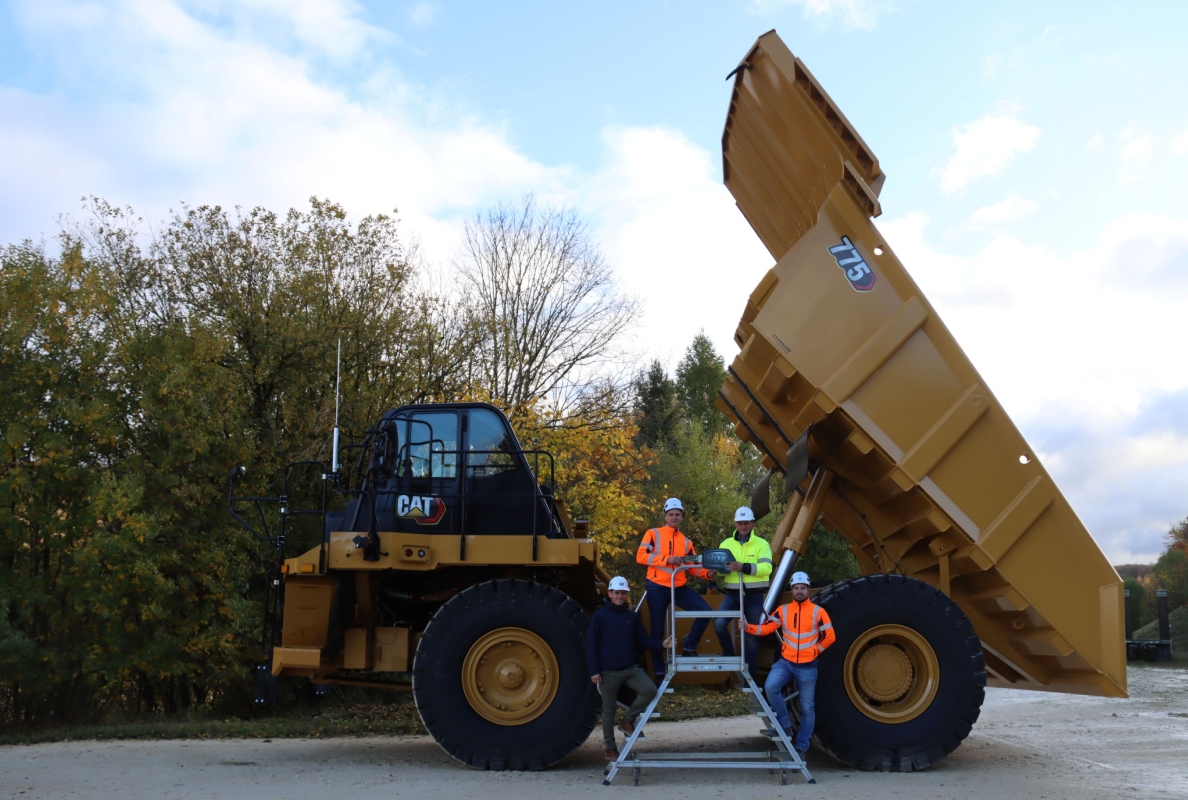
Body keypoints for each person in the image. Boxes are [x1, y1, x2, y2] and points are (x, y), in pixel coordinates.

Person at [745, 571, 835, 762]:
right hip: (786, 663)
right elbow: (767, 628)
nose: (799, 591)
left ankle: (801, 748)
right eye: (796, 588)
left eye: (803, 588)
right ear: (792, 590)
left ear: (808, 590)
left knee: (807, 709)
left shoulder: (818, 612)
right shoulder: (783, 610)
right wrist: (748, 628)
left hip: (808, 666)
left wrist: (815, 651)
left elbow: (830, 637)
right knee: (770, 687)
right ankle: (785, 725)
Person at [587, 576, 674, 760]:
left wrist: (661, 644)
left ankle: (627, 720)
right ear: (609, 594)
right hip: (608, 672)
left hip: (630, 669)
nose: (620, 596)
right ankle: (610, 749)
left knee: (650, 690)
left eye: (623, 593)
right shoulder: (599, 617)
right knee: (608, 710)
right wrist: (594, 671)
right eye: (617, 593)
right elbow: (591, 645)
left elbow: (643, 641)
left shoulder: (632, 617)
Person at [635, 497, 719, 682]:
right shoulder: (653, 534)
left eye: (678, 514)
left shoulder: (686, 542)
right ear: (665, 516)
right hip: (656, 587)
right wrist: (667, 559)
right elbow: (641, 556)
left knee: (705, 611)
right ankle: (659, 674)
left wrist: (708, 573)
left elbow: (693, 567)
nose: (674, 517)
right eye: (671, 514)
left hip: (679, 587)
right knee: (657, 632)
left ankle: (689, 645)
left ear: (682, 517)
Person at [714, 506, 773, 675]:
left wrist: (744, 567)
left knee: (751, 637)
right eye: (740, 523)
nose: (743, 526)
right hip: (732, 594)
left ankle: (749, 678)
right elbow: (721, 569)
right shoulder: (725, 544)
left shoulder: (762, 544)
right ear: (735, 524)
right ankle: (729, 655)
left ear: (753, 524)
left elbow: (767, 568)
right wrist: (717, 570)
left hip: (754, 596)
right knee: (718, 623)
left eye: (746, 523)